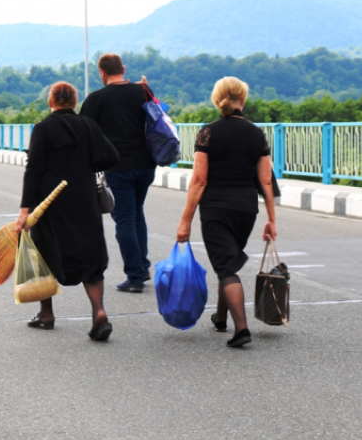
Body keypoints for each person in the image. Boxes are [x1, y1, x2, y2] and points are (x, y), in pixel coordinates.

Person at [176, 76, 278, 349]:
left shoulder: (208, 133)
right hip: (246, 208)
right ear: (242, 100)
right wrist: (271, 219)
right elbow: (266, 181)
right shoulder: (256, 133)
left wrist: (185, 220)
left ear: (216, 100)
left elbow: (199, 180)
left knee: (225, 266)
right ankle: (221, 318)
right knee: (228, 262)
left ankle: (241, 328)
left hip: (216, 208)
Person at [15, 81, 119, 342]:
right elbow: (111, 157)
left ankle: (46, 315)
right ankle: (99, 312)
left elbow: (34, 170)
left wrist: (25, 210)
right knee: (90, 256)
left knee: (44, 255)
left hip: (50, 205)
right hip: (84, 200)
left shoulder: (43, 128)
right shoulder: (88, 125)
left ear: (51, 101)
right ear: (74, 101)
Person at [80, 53, 156, 293]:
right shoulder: (142, 91)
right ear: (123, 69)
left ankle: (135, 276)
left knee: (124, 219)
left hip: (118, 167)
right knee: (137, 213)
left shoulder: (96, 99)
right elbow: (159, 115)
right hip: (146, 165)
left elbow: (82, 131)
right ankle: (142, 267)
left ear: (102, 72)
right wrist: (146, 89)